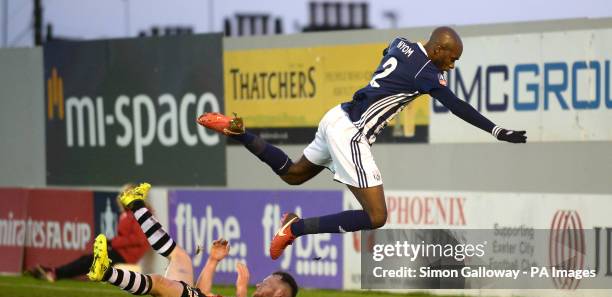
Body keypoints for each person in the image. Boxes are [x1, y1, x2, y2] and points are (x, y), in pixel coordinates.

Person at [197, 26, 527, 260]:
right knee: (376, 216)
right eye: (451, 58)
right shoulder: (428, 73)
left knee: (293, 174)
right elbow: (457, 105)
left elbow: (393, 58)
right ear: (438, 50)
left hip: (336, 115)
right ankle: (295, 230)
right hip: (351, 132)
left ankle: (240, 133)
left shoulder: (400, 43)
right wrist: (497, 131)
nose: (452, 65)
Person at [87, 183, 298, 297]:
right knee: (181, 257)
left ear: (279, 293)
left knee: (159, 282)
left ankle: (106, 272)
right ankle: (136, 203)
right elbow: (202, 294)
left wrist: (241, 291)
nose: (260, 283)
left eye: (267, 282)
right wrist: (213, 261)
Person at [31, 184, 150, 282]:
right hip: (121, 252)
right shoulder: (130, 213)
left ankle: (55, 273)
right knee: (87, 259)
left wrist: (113, 242)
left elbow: (139, 239)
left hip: (126, 256)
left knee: (90, 260)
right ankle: (55, 272)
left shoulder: (138, 213)